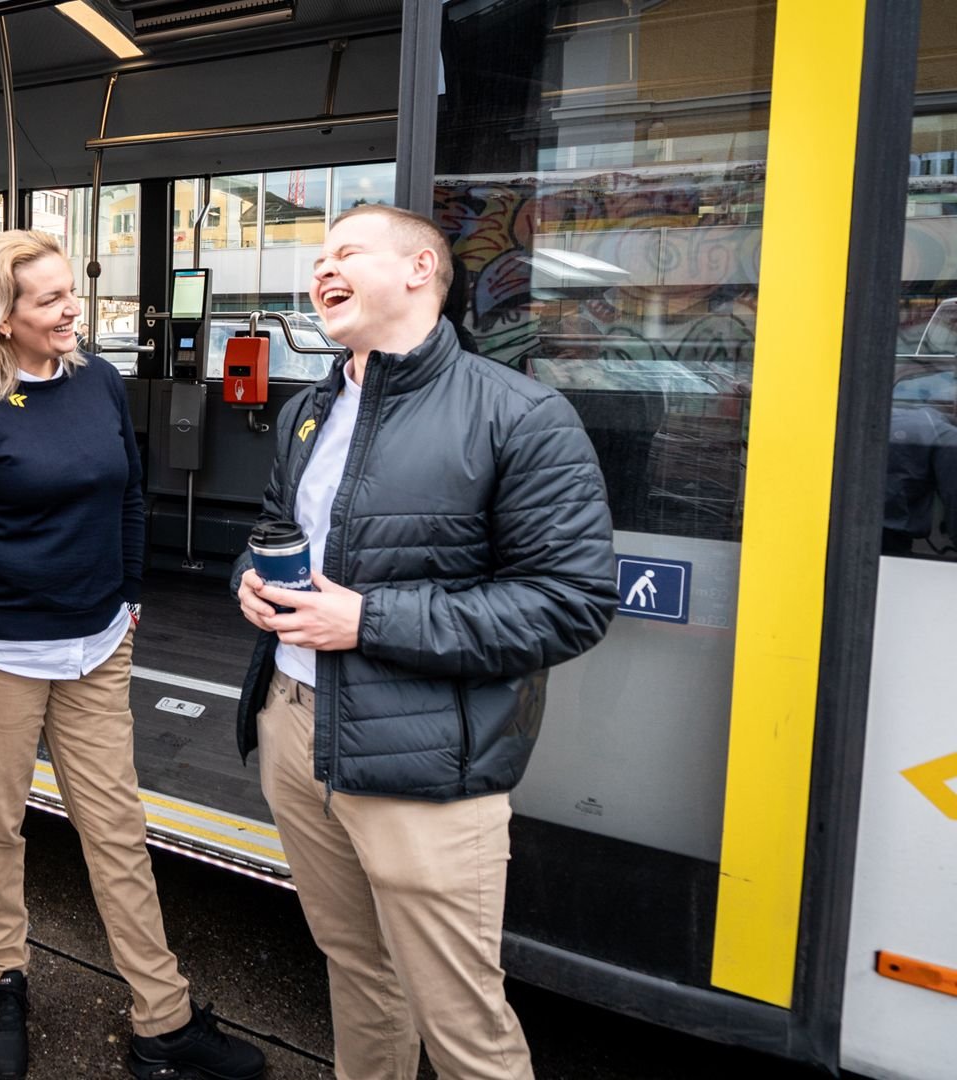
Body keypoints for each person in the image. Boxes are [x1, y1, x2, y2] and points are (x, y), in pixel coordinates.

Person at [233, 204, 618, 1080]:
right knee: (358, 972)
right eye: (318, 257)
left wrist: (366, 621)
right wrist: (251, 585)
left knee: (463, 1025)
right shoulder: (310, 408)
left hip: (429, 764)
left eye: (347, 252)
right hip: (296, 730)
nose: (321, 270)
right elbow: (270, 532)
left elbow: (571, 604)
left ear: (418, 271)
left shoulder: (521, 414)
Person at [0, 230, 266, 1080]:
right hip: (0, 656)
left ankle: (163, 1018)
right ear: (3, 319)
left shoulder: (101, 381)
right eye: (50, 300)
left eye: (73, 292)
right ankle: (3, 976)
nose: (74, 309)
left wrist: (131, 597)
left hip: (99, 649)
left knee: (117, 828)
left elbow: (130, 495)